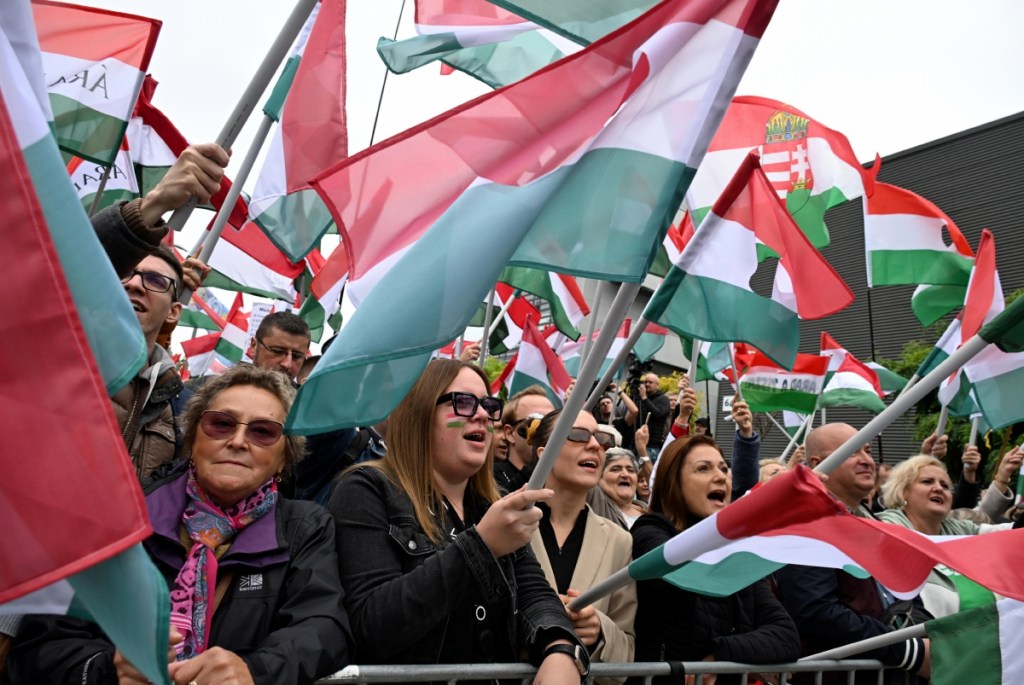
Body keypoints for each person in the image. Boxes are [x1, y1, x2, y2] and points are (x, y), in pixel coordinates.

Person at [7, 366, 352, 684]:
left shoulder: (305, 528)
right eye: (221, 424)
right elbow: (42, 646)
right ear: (192, 440)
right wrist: (108, 670)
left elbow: (323, 628)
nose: (237, 441)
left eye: (263, 432)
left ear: (284, 458)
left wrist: (254, 671)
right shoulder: (123, 517)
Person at [329, 360, 588, 683]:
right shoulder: (366, 490)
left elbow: (535, 594)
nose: (482, 414)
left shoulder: (491, 505)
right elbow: (372, 625)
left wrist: (561, 649)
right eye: (463, 403)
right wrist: (480, 546)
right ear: (420, 412)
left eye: (489, 405)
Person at [630, 435, 800, 685]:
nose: (721, 476)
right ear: (673, 482)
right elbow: (678, 579)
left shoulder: (734, 551)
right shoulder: (650, 531)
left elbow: (785, 637)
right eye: (703, 468)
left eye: (723, 468)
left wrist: (717, 654)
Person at [773, 423, 931, 684]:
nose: (867, 460)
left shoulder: (880, 527)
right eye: (853, 452)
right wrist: (905, 651)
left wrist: (927, 636)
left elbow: (905, 595)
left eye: (868, 450)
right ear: (819, 462)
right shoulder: (805, 526)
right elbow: (817, 613)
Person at [527, 409, 636, 684]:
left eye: (602, 438)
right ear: (543, 453)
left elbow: (627, 650)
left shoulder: (618, 540)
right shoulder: (503, 522)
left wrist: (600, 630)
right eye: (577, 435)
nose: (595, 445)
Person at [878, 455, 1012, 617]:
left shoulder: (961, 529)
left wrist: (1005, 475)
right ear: (903, 491)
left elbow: (1012, 534)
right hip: (932, 636)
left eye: (945, 486)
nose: (939, 488)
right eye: (927, 481)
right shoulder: (885, 528)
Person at [494, 385, 555, 493]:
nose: (548, 428)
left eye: (553, 421)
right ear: (510, 434)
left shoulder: (562, 477)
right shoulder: (490, 478)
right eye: (538, 420)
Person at [599, 448, 648, 528]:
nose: (625, 474)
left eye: (631, 470)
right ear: (599, 477)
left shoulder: (647, 511)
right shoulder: (595, 505)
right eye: (615, 470)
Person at [637, 374, 670, 460]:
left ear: (657, 385)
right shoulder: (641, 398)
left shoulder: (663, 399)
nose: (647, 384)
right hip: (637, 442)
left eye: (650, 382)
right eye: (645, 382)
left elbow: (658, 414)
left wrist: (645, 398)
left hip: (652, 445)